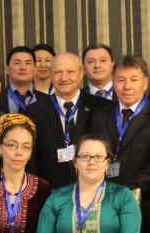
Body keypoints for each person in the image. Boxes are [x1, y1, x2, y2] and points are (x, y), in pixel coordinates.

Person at [92, 55, 150, 202]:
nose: (127, 86)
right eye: (121, 80)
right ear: (113, 83)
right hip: (102, 197)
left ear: (145, 83)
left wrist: (124, 190)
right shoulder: (100, 114)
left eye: (134, 80)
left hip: (144, 199)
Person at [27, 52, 111, 189]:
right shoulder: (33, 112)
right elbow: (31, 160)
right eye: (58, 72)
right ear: (51, 74)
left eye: (70, 72)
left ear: (81, 73)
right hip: (50, 193)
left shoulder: (102, 107)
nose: (64, 78)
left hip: (95, 191)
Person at [0, 45, 39, 114]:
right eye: (17, 63)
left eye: (28, 63)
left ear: (35, 69)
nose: (23, 67)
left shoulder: (49, 101)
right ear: (7, 69)